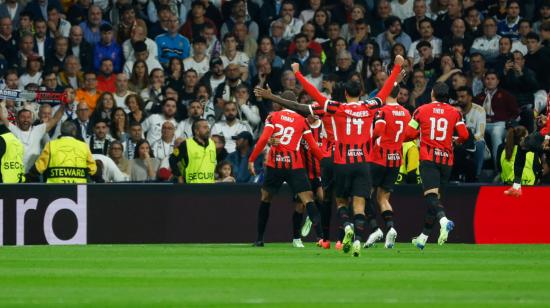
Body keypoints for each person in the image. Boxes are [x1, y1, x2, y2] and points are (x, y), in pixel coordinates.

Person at [291, 56, 403, 256]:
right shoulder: (370, 106)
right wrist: (396, 68)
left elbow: (314, 93)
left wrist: (298, 73)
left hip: (341, 163)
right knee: (359, 204)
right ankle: (358, 240)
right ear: (361, 93)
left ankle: (347, 226)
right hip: (362, 163)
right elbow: (386, 90)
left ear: (344, 93)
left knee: (341, 202)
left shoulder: (337, 108)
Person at [247, 90, 325, 248]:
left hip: (275, 165)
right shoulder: (302, 120)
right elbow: (314, 147)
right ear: (294, 103)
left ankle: (260, 239)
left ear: (281, 103)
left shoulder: (273, 117)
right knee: (308, 200)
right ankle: (321, 238)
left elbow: (263, 139)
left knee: (265, 199)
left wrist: (251, 159)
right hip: (294, 166)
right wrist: (327, 162)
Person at [404, 82, 469, 250]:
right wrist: (456, 141)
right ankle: (423, 238)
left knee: (431, 197)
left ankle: (444, 221)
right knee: (436, 200)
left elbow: (408, 134)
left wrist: (420, 133)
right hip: (446, 161)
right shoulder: (455, 113)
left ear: (432, 93)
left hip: (429, 158)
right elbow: (464, 134)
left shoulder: (421, 110)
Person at [363, 84, 411, 249]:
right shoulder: (405, 112)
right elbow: (409, 135)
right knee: (383, 198)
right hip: (395, 159)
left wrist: (368, 139)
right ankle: (390, 227)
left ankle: (375, 229)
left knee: (364, 195)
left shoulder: (381, 111)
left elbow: (378, 130)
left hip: (378, 158)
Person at [29, 120, 98, 183]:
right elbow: (93, 169)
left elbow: (39, 167)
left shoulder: (51, 145)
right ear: (74, 131)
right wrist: (100, 180)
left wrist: (27, 177)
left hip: (55, 188)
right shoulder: (84, 146)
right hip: (79, 189)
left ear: (61, 131)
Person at [169, 119, 216, 184]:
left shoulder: (212, 143)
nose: (208, 130)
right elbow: (172, 159)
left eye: (208, 127)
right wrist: (179, 176)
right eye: (205, 127)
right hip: (192, 186)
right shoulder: (185, 144)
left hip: (210, 185)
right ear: (196, 131)